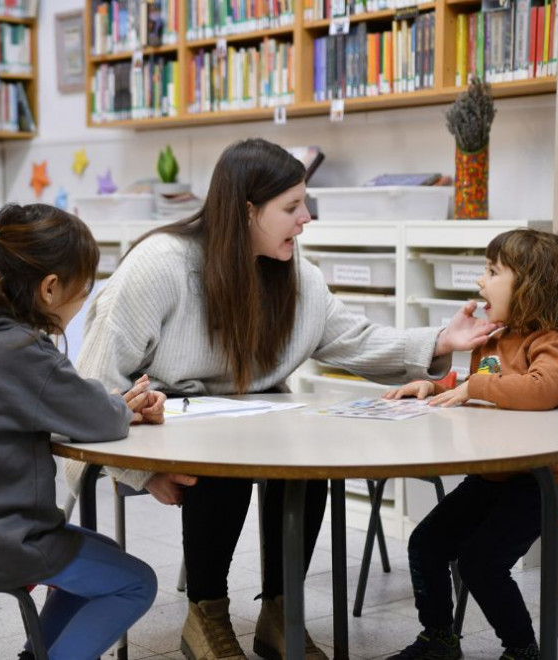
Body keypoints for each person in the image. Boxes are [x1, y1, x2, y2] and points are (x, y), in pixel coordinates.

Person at [75, 138, 501, 660]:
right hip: (167, 434)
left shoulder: (297, 276)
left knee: (303, 459)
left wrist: (442, 341)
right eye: (292, 207)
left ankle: (282, 612)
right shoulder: (160, 266)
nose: (306, 219)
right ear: (247, 211)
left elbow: (356, 340)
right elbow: (93, 385)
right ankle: (205, 615)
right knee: (219, 461)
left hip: (255, 422)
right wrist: (144, 471)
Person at [0, 203, 166, 660]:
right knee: (136, 583)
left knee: (102, 553)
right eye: (83, 293)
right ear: (51, 289)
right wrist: (121, 407)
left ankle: (37, 654)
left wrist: (108, 404)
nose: (81, 304)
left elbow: (65, 399)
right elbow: (98, 419)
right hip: (4, 541)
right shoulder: (18, 347)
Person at [381, 228, 558, 660]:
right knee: (426, 543)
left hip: (539, 484)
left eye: (493, 271)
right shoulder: (494, 336)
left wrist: (476, 385)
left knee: (481, 562)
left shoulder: (553, 344)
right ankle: (438, 638)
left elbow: (541, 388)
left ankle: (521, 650)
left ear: (532, 285)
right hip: (492, 478)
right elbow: (471, 385)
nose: (481, 281)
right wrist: (432, 384)